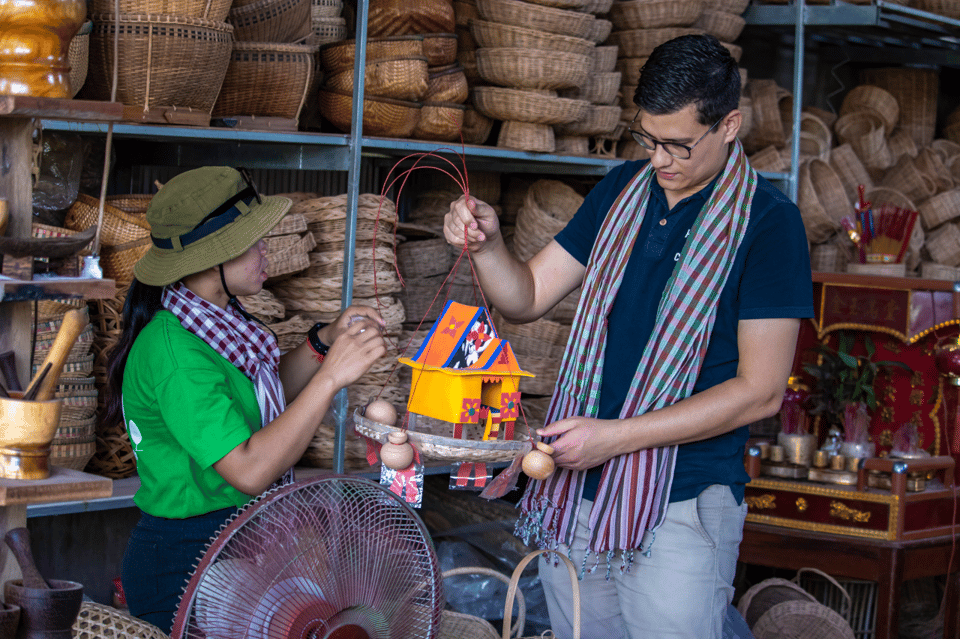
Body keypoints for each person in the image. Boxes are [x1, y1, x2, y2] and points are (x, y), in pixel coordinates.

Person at [444, 35, 813, 639]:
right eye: (648, 139)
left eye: (678, 145)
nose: (661, 160)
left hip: (683, 505)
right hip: (579, 491)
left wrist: (614, 439)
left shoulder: (769, 224)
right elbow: (528, 297)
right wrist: (487, 246)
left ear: (729, 126)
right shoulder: (621, 191)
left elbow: (760, 391)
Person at [103, 166, 388, 634]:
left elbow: (260, 394)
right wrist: (330, 378)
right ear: (213, 257)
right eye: (254, 240)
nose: (265, 250)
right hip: (186, 560)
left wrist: (323, 342)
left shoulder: (215, 321)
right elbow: (250, 469)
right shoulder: (176, 353)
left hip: (236, 542)